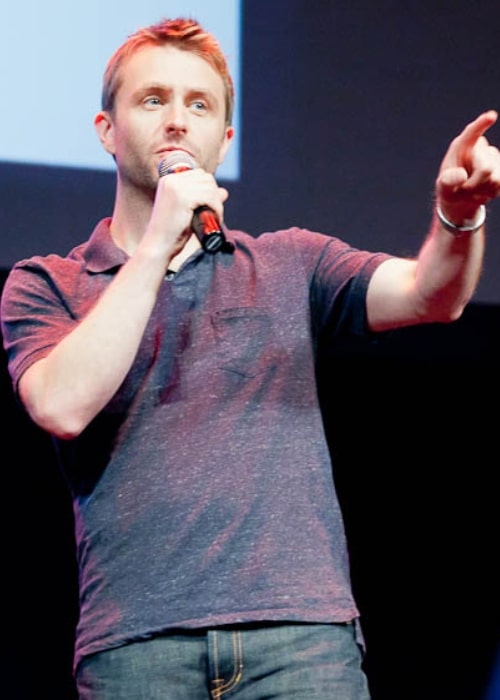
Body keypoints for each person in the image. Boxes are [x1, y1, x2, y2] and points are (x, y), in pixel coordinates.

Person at [1, 15, 500, 700]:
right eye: (153, 100)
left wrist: (459, 215)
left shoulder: (292, 262)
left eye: (198, 105)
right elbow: (61, 404)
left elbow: (429, 295)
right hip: (137, 649)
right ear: (106, 132)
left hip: (300, 643)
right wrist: (156, 248)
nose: (177, 121)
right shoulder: (47, 283)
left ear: (224, 138)